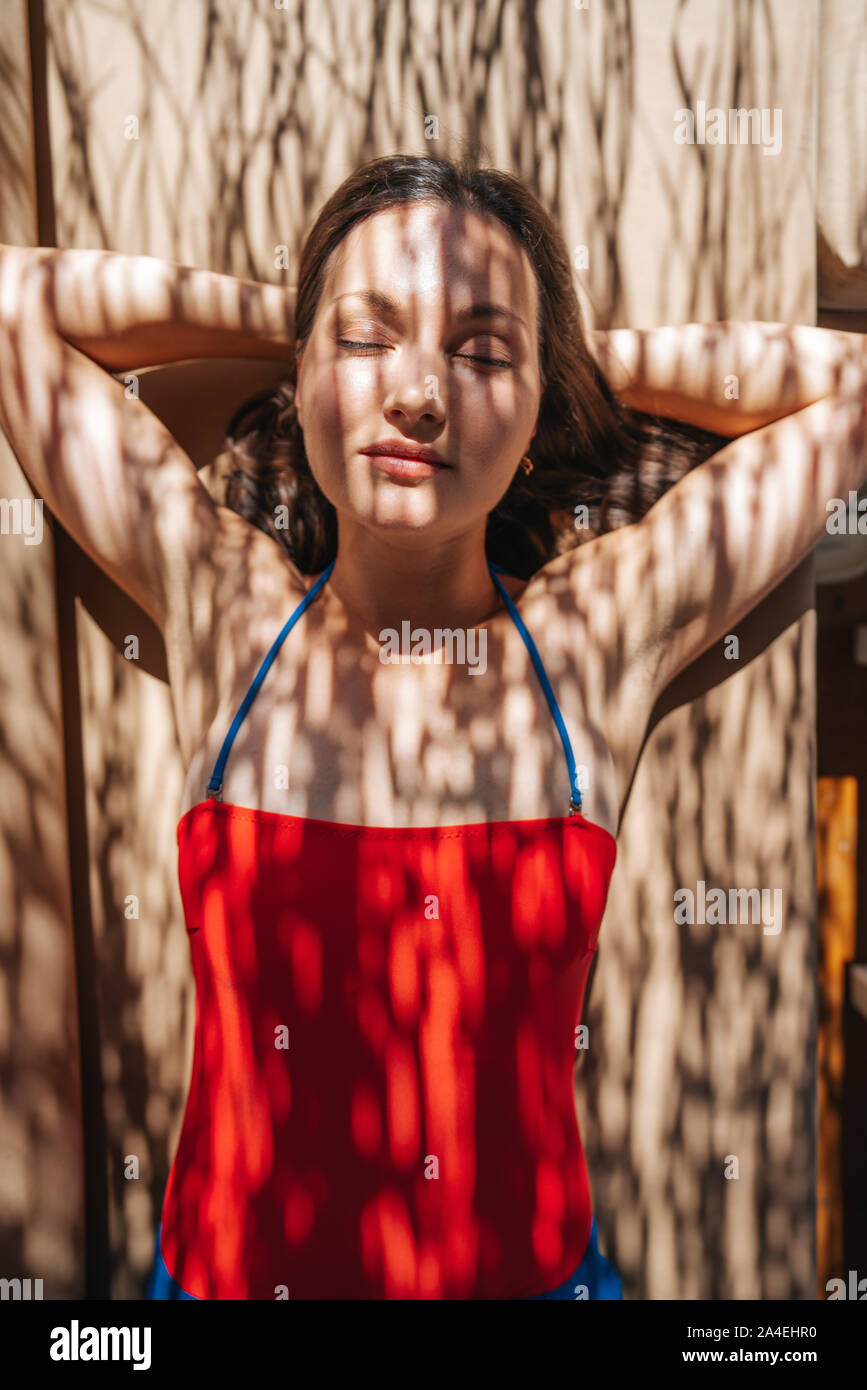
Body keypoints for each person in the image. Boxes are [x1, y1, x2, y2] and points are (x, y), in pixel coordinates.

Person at [0, 153, 865, 1300]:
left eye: (480, 350)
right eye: (370, 341)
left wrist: (571, 361)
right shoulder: (224, 603)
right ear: (305, 372)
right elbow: (15, 302)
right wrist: (297, 322)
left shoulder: (596, 632)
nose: (420, 394)